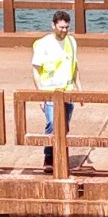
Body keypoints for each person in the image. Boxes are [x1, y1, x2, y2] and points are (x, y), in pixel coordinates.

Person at [31, 10, 79, 174]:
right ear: (53, 25)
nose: (64, 31)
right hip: (50, 91)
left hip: (67, 91)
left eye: (66, 27)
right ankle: (49, 156)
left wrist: (80, 89)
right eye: (61, 27)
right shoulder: (43, 44)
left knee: (64, 126)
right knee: (52, 124)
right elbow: (36, 70)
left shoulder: (72, 42)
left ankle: (61, 154)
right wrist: (40, 95)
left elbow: (75, 67)